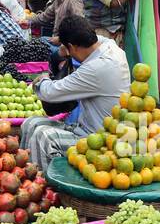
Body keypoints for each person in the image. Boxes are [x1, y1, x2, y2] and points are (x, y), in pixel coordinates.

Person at [20, 14, 131, 168]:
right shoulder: (109, 45)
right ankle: (26, 175)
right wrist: (63, 48)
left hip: (100, 142)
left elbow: (50, 92)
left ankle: (45, 186)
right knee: (31, 123)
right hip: (84, 129)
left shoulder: (97, 68)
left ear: (71, 47)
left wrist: (42, 79)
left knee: (43, 137)